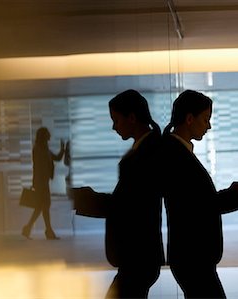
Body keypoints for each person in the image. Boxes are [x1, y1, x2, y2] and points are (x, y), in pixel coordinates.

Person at [160, 89, 238, 299]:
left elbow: (198, 200)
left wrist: (234, 193)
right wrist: (235, 196)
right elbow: (197, 206)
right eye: (205, 119)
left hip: (192, 256)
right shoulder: (175, 155)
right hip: (193, 257)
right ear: (189, 119)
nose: (209, 126)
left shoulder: (177, 151)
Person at [76, 89, 165, 298]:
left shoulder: (147, 153)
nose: (113, 126)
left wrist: (78, 198)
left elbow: (123, 206)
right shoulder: (145, 149)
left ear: (131, 117)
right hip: (139, 257)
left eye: (116, 120)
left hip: (138, 257)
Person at [22, 127, 65, 240]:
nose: (49, 134)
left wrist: (63, 148)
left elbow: (57, 158)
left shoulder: (45, 149)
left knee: (41, 207)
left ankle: (28, 229)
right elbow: (36, 167)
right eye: (47, 133)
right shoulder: (38, 149)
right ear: (43, 135)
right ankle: (48, 231)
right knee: (44, 206)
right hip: (40, 183)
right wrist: (35, 183)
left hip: (43, 182)